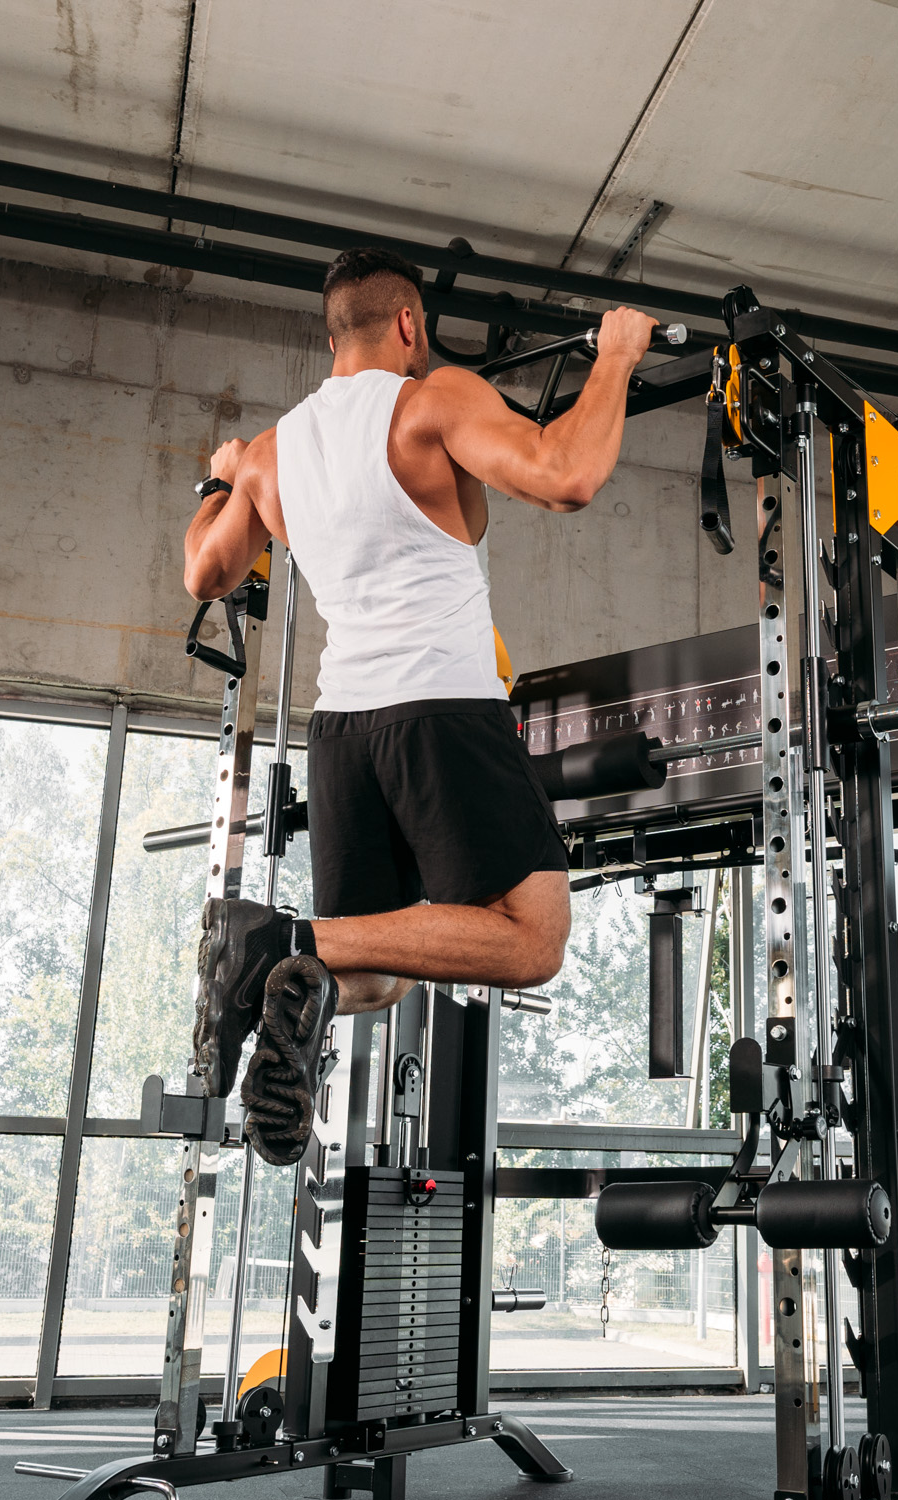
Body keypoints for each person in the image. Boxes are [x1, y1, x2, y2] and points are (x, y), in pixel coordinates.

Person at [181, 245, 656, 1163]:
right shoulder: (430, 403)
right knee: (533, 940)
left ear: (332, 338)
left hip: (343, 732)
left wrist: (223, 478)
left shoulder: (273, 454)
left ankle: (283, 964)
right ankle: (277, 936)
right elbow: (567, 475)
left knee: (376, 974)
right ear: (409, 323)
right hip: (441, 704)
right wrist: (617, 357)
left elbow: (206, 571)